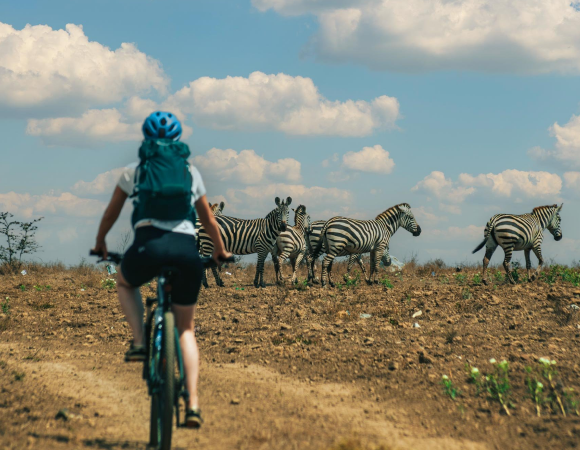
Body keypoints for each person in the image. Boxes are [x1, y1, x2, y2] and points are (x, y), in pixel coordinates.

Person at [92, 111, 230, 429]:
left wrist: (101, 242)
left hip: (147, 247)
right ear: (178, 141)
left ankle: (140, 341)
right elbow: (208, 220)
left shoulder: (134, 171)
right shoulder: (190, 172)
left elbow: (111, 213)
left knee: (126, 283)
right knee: (186, 330)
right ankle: (193, 403)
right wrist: (221, 251)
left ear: (145, 139)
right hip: (185, 251)